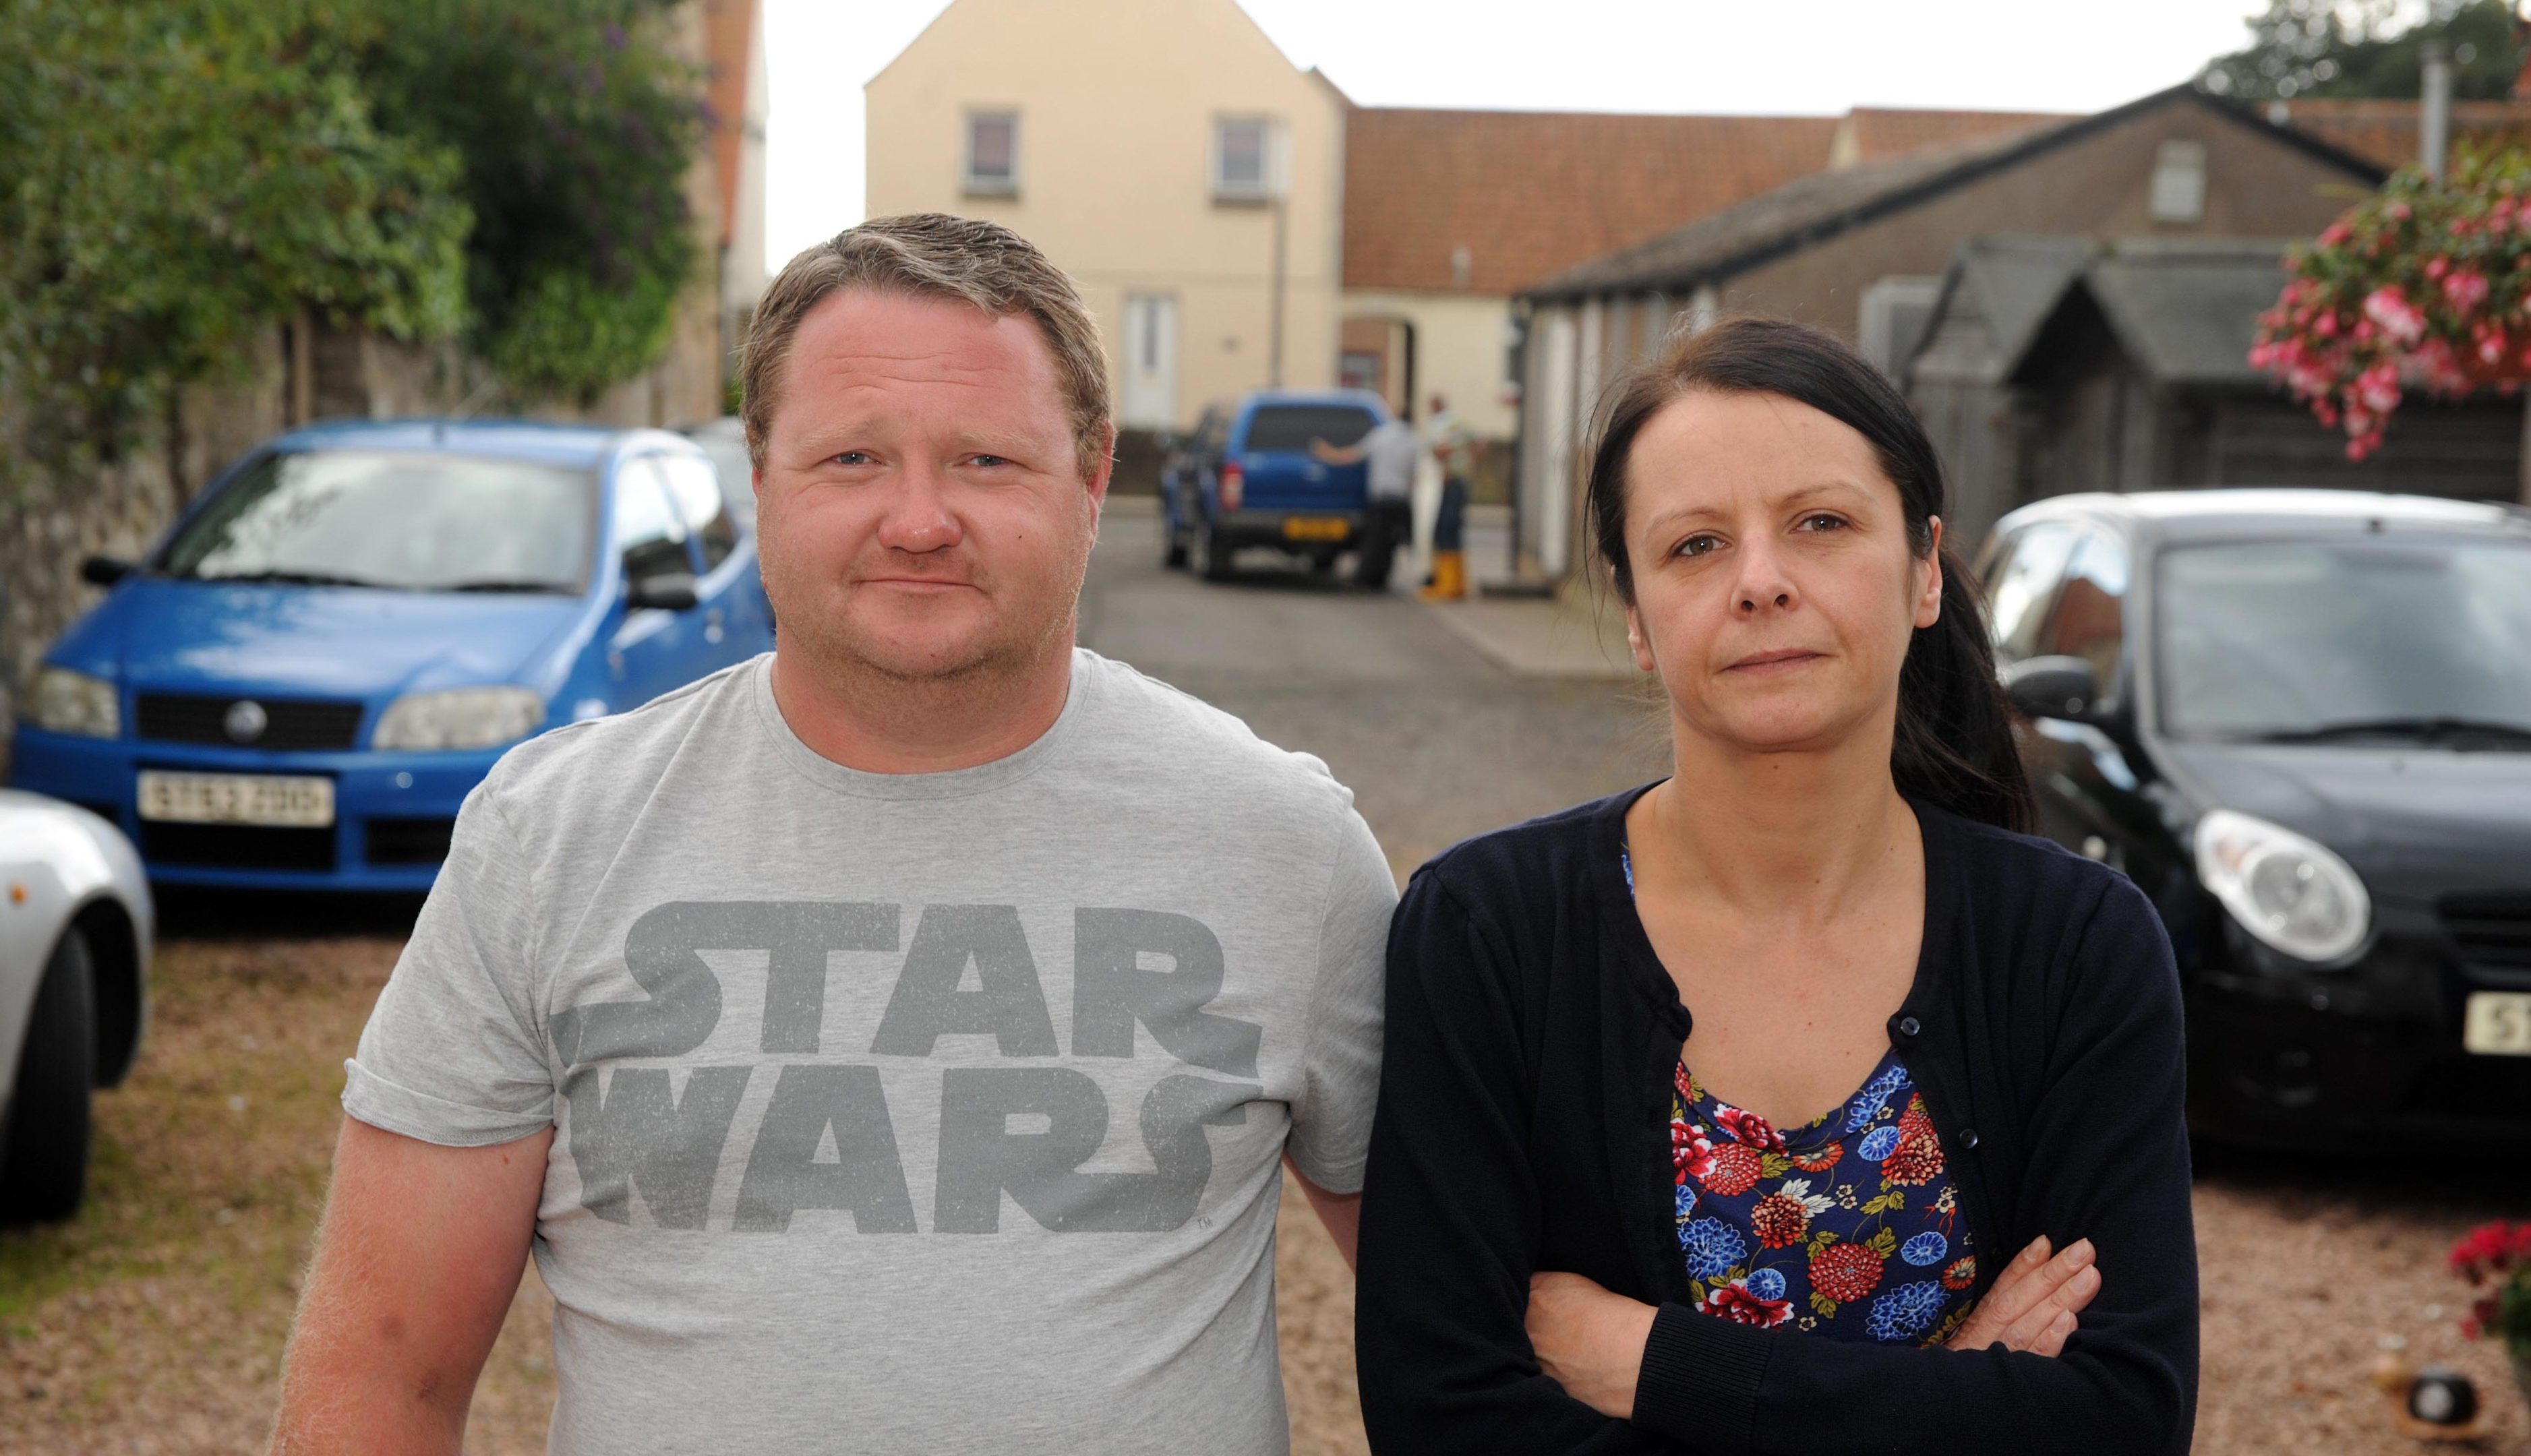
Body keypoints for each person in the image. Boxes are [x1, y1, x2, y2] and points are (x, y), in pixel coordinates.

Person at [268, 214, 1395, 1455]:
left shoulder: (1286, 847)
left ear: (1092, 477)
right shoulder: (547, 840)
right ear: (759, 479)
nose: (917, 520)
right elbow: (382, 1374)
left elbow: (1472, 1331)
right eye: (852, 458)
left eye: (984, 462)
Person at [1354, 317, 2197, 1454]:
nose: (1759, 582)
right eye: (1694, 545)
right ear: (1636, 617)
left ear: (1919, 570)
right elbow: (1442, 1416)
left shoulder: (2075, 944)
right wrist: (1951, 1398)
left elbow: (2118, 1421)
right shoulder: (1486, 933)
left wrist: (1657, 1364)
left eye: (1819, 523)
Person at [1309, 404, 1418, 590]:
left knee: (1375, 541)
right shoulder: (1414, 440)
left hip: (1381, 499)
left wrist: (1327, 453)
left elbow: (1352, 455)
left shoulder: (1381, 436)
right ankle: (1380, 577)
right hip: (1400, 500)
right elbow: (1416, 473)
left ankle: (1364, 578)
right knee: (1391, 542)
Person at [1419, 394, 1478, 601]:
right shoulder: (1455, 423)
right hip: (1453, 482)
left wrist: (1438, 455)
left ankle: (1450, 584)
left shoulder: (1445, 424)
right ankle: (1454, 583)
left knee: (1446, 529)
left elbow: (1441, 449)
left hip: (1451, 483)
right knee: (1450, 530)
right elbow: (1474, 442)